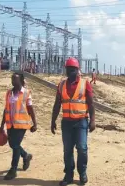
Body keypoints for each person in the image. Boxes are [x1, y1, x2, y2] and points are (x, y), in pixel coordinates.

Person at [51, 57, 96, 186]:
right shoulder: (61, 85)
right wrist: (52, 121)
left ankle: (82, 173)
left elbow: (91, 104)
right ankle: (68, 175)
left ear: (77, 70)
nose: (70, 71)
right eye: (68, 69)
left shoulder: (85, 83)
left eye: (72, 69)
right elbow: (57, 104)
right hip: (66, 123)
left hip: (81, 121)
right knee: (67, 150)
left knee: (82, 148)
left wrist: (92, 120)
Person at [0, 72, 38, 180]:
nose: (13, 81)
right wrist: (1, 125)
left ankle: (13, 169)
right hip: (10, 124)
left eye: (15, 79)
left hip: (21, 124)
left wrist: (35, 123)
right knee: (13, 145)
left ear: (21, 80)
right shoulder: (8, 93)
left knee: (15, 145)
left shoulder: (26, 93)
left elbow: (30, 109)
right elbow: (5, 109)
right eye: (12, 79)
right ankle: (26, 155)